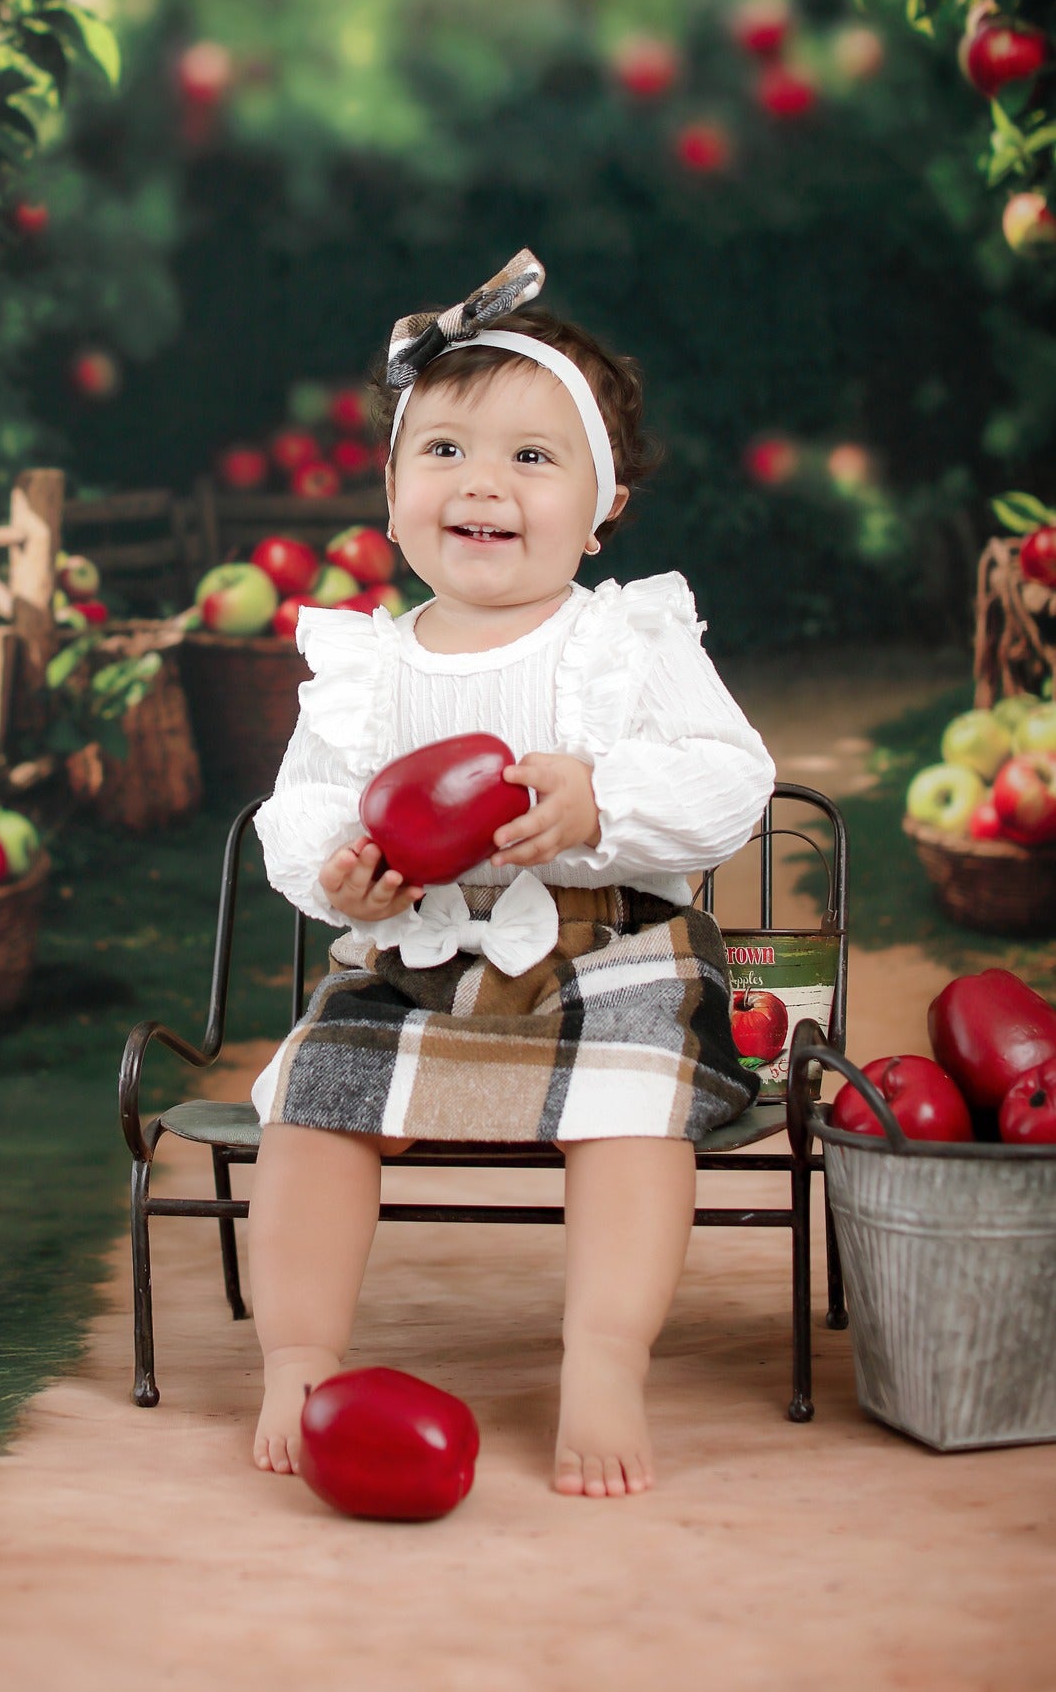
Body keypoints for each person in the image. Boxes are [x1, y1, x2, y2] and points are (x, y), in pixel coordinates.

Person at [248, 250, 776, 1498]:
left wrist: (606, 803)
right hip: (420, 954)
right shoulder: (367, 666)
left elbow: (731, 776)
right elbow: (302, 807)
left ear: (604, 510)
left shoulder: (624, 636)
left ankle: (604, 1353)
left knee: (633, 1107)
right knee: (314, 1099)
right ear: (389, 498)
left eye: (534, 458)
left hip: (610, 951)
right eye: (443, 453)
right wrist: (342, 873)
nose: (482, 481)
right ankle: (299, 1353)